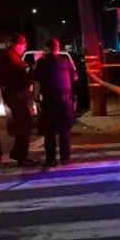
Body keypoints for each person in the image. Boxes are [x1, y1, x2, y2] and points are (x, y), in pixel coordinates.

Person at [32, 38, 79, 167]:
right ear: (57, 49)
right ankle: (65, 158)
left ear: (47, 48)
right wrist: (74, 98)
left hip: (49, 101)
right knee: (64, 131)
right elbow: (75, 78)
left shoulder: (41, 63)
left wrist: (36, 99)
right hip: (65, 101)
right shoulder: (65, 61)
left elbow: (37, 83)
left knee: (49, 132)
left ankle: (51, 159)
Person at [0, 33, 38, 166]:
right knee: (24, 123)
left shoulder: (11, 56)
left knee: (24, 123)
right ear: (17, 44)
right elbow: (21, 71)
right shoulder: (10, 56)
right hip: (16, 95)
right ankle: (20, 155)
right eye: (24, 45)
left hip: (16, 95)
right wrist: (30, 69)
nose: (24, 48)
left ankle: (19, 153)